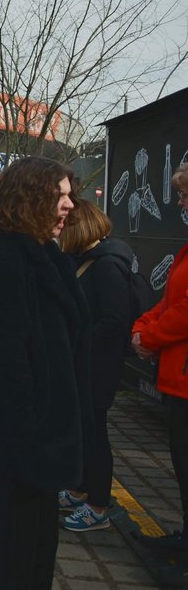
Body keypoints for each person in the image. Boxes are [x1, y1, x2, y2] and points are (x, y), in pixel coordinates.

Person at [0, 157, 90, 589]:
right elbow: (4, 360)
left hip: (42, 436)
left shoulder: (43, 253)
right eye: (61, 195)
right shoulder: (8, 258)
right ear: (31, 198)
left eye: (70, 194)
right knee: (10, 549)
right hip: (21, 438)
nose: (70, 204)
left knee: (33, 545)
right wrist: (29, 433)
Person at [57, 199, 134, 532]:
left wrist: (76, 340)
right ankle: (81, 488)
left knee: (94, 434)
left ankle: (98, 505)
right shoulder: (89, 260)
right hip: (85, 364)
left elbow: (114, 321)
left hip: (97, 367)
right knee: (84, 432)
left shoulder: (106, 265)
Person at [132, 163, 188, 549]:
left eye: (185, 195)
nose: (180, 202)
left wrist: (147, 337)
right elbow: (170, 303)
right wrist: (142, 325)